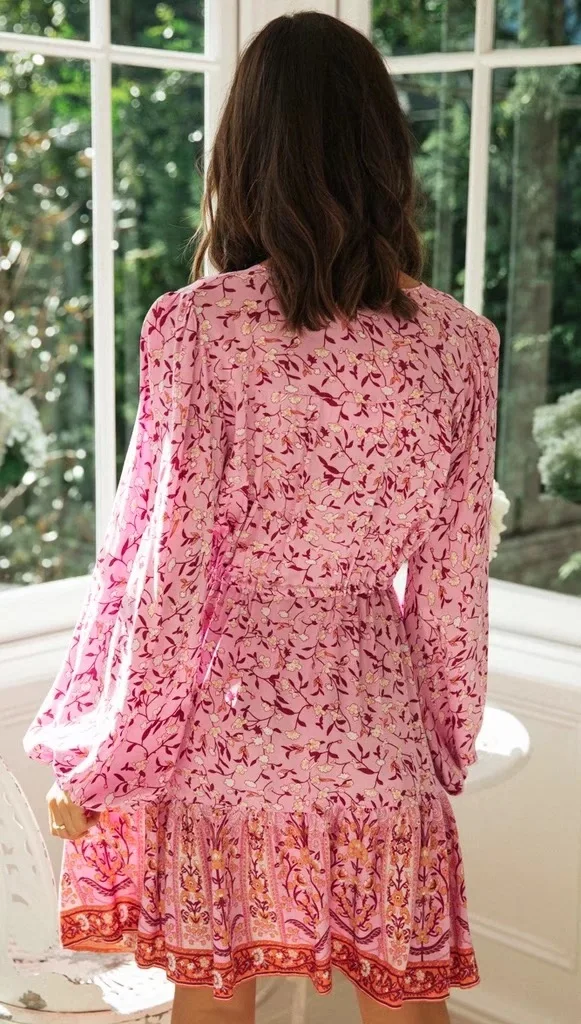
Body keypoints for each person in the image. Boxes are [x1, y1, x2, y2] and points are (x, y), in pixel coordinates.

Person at [24, 11, 500, 1024]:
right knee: (406, 1004)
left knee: (214, 1004)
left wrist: (109, 754)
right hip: (376, 719)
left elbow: (161, 572)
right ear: (386, 152)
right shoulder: (462, 344)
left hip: (229, 725)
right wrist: (443, 744)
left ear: (242, 153)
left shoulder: (198, 327)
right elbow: (453, 592)